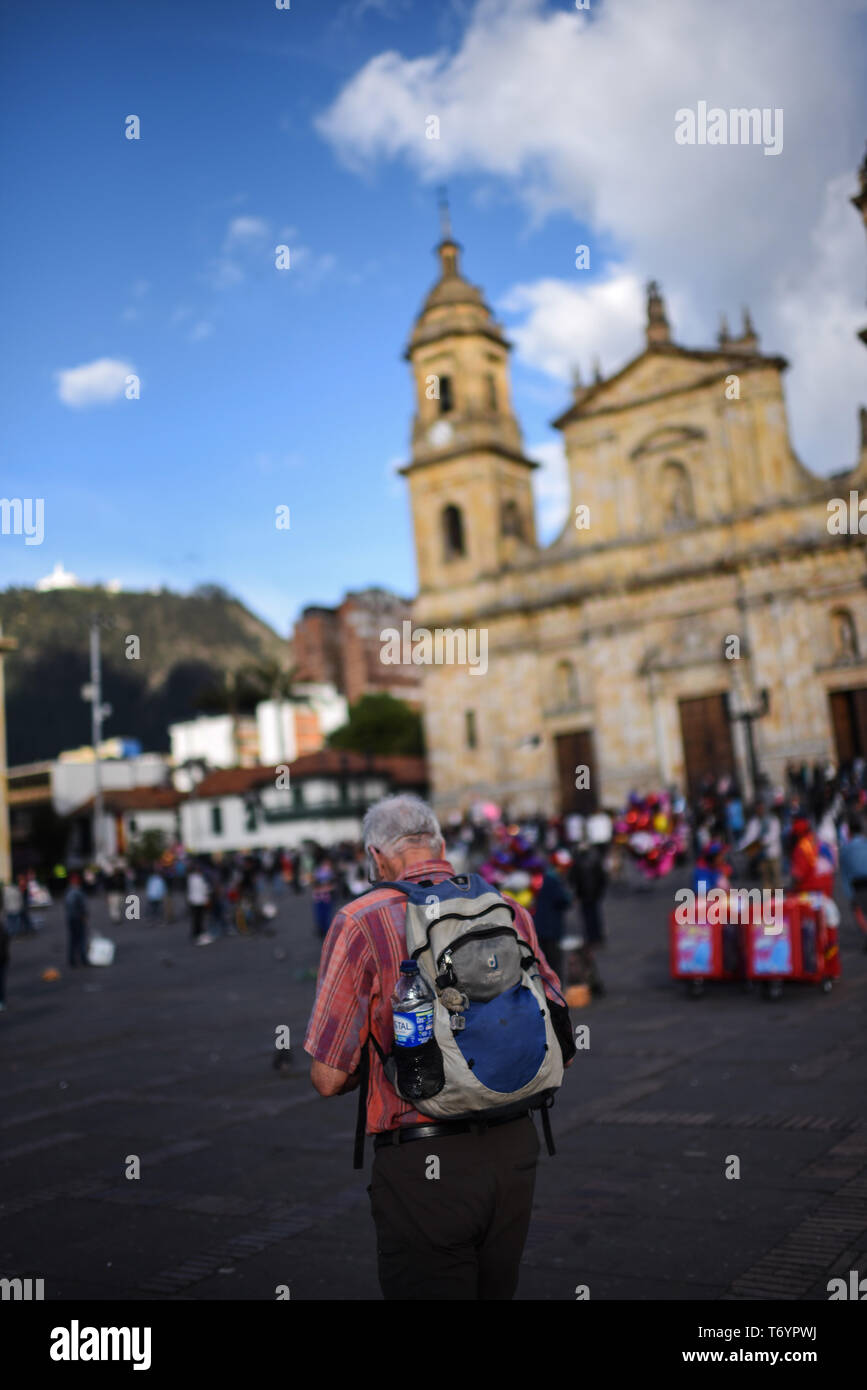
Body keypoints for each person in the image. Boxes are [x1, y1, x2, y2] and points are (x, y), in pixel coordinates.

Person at [304, 793, 570, 1302]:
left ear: (375, 857)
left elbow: (328, 1077)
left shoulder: (361, 920)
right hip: (514, 1149)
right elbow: (561, 1036)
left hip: (425, 1162)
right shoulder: (506, 907)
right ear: (441, 845)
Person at [569, 838, 608, 996]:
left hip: (585, 895)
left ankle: (592, 937)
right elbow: (602, 878)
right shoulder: (595, 860)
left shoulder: (578, 863)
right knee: (595, 917)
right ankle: (596, 937)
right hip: (593, 894)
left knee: (587, 918)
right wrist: (600, 892)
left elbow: (573, 879)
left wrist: (577, 893)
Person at [533, 850, 573, 978]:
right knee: (553, 963)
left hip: (541, 925)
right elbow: (564, 900)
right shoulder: (553, 880)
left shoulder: (545, 877)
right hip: (550, 927)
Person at [839, 813, 867, 949]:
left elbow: (845, 873)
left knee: (858, 910)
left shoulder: (845, 849)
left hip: (857, 885)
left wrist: (848, 892)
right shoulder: (865, 843)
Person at [65, 872, 89, 967]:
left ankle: (72, 960)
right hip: (77, 918)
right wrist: (83, 915)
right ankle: (83, 959)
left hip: (70, 918)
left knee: (73, 939)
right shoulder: (76, 891)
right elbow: (79, 905)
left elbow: (67, 906)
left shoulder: (68, 891)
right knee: (81, 939)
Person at [311, 855, 337, 937]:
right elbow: (314, 885)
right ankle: (321, 930)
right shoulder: (318, 872)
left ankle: (326, 931)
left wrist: (325, 888)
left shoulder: (331, 873)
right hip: (319, 898)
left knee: (327, 916)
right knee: (320, 915)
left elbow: (333, 886)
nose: (327, 865)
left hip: (326, 898)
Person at [186, 862, 211, 942]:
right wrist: (207, 897)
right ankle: (199, 934)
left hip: (193, 901)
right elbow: (204, 889)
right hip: (200, 901)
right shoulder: (200, 879)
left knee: (196, 918)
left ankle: (195, 933)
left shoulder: (191, 878)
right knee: (199, 918)